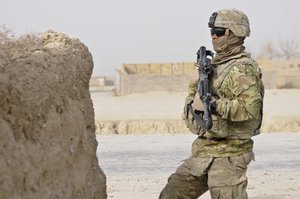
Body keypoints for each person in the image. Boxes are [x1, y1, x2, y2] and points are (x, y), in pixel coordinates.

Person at [159, 8, 264, 199]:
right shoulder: (214, 66)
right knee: (171, 194)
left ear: (234, 34)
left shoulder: (241, 68)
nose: (214, 37)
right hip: (204, 151)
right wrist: (194, 86)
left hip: (230, 156)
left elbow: (249, 110)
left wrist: (213, 105)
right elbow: (194, 117)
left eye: (219, 32)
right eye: (212, 32)